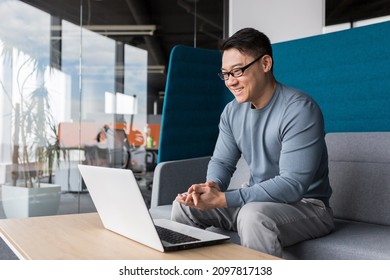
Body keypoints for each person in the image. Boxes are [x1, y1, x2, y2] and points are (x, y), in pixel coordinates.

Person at [171, 28, 334, 257]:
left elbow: (292, 185)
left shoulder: (299, 109)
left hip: (307, 206)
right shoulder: (232, 112)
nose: (231, 82)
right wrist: (212, 187)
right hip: (255, 201)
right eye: (225, 74)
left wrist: (225, 198)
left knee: (253, 216)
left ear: (265, 63)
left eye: (237, 71)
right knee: (185, 206)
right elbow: (222, 161)